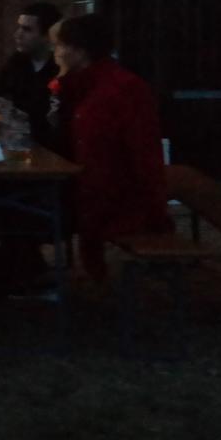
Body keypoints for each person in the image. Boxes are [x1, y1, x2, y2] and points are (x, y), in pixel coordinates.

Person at [46, 14, 172, 283]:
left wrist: (156, 211)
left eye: (60, 45)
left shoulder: (122, 88)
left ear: (79, 50)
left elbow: (144, 153)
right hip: (86, 189)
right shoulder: (77, 84)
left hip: (111, 196)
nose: (56, 52)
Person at [0, 1, 62, 143]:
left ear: (47, 36)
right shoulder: (18, 61)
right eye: (19, 27)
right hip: (16, 142)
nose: (17, 35)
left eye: (27, 29)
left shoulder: (60, 68)